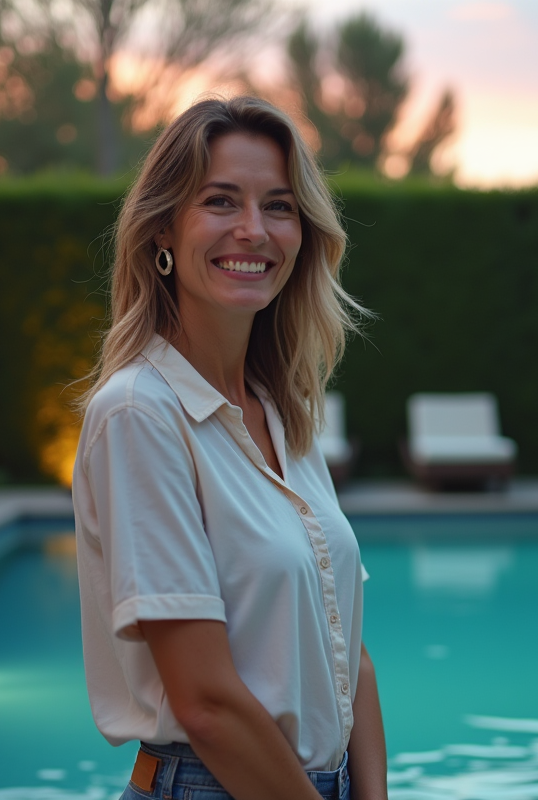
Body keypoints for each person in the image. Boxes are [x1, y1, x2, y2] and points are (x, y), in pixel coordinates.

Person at [71, 95, 386, 800]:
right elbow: (206, 704)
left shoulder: (284, 414)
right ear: (162, 230)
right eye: (220, 201)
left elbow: (347, 657)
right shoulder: (139, 414)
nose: (253, 230)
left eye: (279, 206)